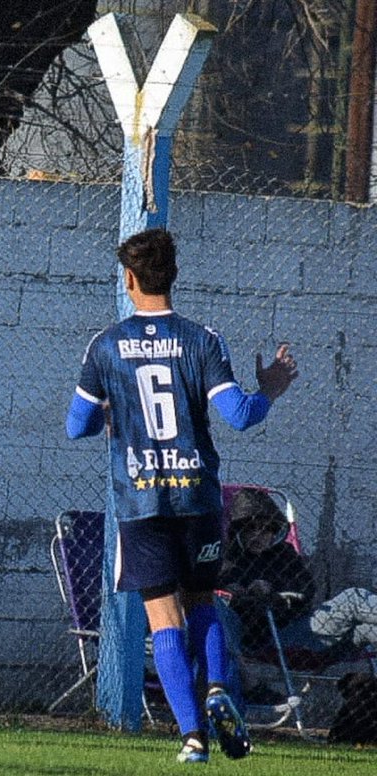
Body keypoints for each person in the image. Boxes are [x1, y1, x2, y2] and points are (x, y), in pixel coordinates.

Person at [66, 228, 298, 764]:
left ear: (128, 280)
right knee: (202, 603)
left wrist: (112, 414)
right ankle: (217, 684)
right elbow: (240, 416)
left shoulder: (104, 344)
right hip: (195, 498)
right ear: (174, 274)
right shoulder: (202, 338)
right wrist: (269, 390)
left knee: (162, 617)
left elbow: (76, 426)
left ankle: (192, 738)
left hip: (141, 503)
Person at [218, 487, 377, 698]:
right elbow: (219, 593)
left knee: (366, 627)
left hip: (301, 627)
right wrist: (242, 591)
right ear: (238, 532)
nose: (257, 535)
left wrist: (273, 589)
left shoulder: (284, 554)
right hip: (269, 640)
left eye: (265, 529)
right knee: (353, 598)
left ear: (275, 531)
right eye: (250, 529)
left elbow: (306, 589)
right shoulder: (228, 558)